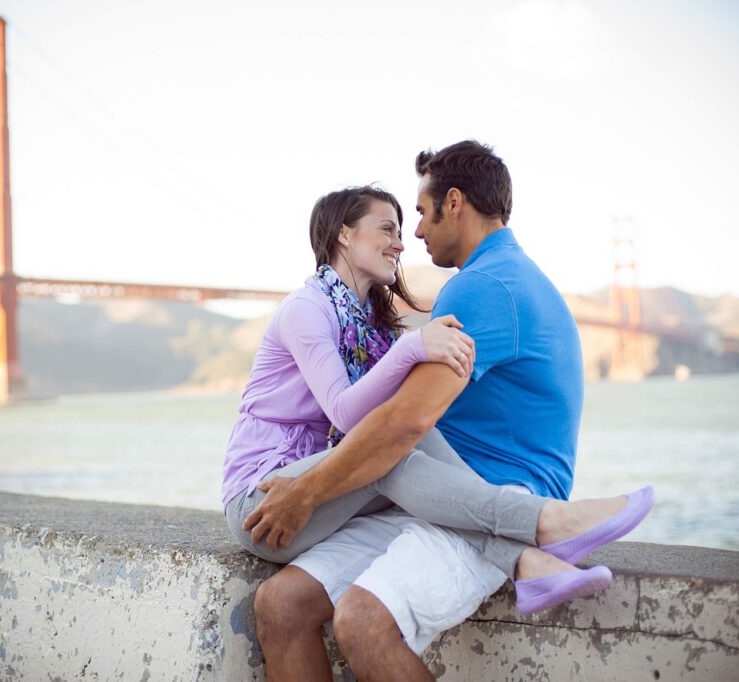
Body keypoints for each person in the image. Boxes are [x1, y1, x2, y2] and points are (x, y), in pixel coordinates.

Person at [247, 141, 655, 682]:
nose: (413, 233)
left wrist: (310, 491)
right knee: (281, 606)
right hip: (433, 494)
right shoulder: (503, 278)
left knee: (365, 621)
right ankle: (531, 546)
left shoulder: (482, 289)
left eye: (419, 212)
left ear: (454, 203)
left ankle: (539, 532)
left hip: (487, 493)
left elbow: (402, 423)